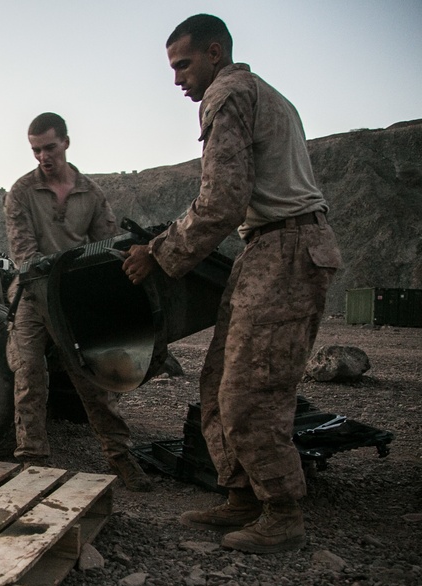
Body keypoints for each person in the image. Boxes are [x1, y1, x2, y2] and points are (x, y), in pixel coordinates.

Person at [122, 15, 343, 552]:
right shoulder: (261, 93)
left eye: (183, 64)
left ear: (214, 53)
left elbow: (222, 197)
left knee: (251, 392)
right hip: (267, 246)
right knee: (218, 380)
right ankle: (242, 496)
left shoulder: (227, 93)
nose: (177, 78)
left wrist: (158, 252)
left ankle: (283, 511)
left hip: (285, 250)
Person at [5, 112, 152, 492]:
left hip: (74, 295)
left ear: (66, 143)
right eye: (36, 150)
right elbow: (25, 255)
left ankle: (120, 457)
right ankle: (32, 461)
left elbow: (107, 244)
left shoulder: (91, 193)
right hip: (34, 293)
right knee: (29, 373)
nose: (43, 157)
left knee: (93, 375)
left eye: (49, 147)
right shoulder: (20, 192)